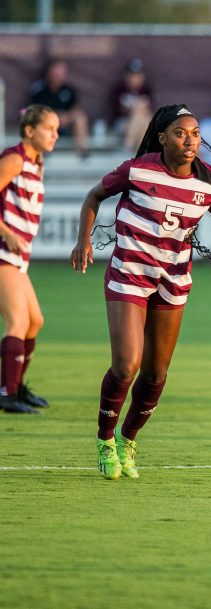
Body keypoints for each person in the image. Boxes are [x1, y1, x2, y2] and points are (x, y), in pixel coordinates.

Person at [70, 104, 211, 480]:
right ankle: (104, 440)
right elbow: (93, 196)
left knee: (154, 374)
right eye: (181, 133)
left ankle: (127, 439)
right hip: (129, 275)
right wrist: (83, 241)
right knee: (126, 365)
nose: (190, 140)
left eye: (196, 133)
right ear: (163, 136)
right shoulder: (138, 170)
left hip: (173, 281)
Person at [0, 105, 58, 414]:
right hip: (2, 252)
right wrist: (7, 232)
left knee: (35, 321)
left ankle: (16, 387)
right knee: (18, 320)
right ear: (29, 130)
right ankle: (6, 393)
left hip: (15, 255)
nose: (55, 135)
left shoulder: (36, 163)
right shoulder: (14, 159)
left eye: (57, 129)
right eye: (49, 129)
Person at [28, 58, 89, 157]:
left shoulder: (68, 90)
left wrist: (67, 117)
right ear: (49, 72)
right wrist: (56, 117)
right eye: (57, 71)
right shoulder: (39, 90)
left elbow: (75, 109)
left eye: (62, 72)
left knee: (80, 117)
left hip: (65, 125)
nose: (59, 75)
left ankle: (82, 151)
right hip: (46, 126)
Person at [110, 58, 154, 152]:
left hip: (142, 123)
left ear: (142, 77)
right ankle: (140, 153)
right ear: (125, 76)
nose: (134, 78)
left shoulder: (147, 90)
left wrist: (137, 109)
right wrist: (135, 109)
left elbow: (149, 110)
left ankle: (129, 146)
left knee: (145, 122)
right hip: (123, 122)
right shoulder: (119, 90)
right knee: (142, 120)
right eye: (131, 75)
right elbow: (120, 110)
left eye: (137, 75)